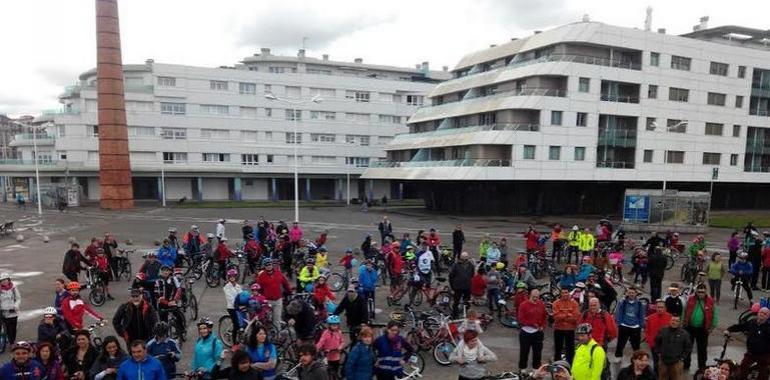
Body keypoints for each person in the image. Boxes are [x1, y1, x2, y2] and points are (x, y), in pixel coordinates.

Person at [726, 306, 770, 380]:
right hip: (751, 353)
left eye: (765, 314)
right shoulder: (752, 322)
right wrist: (729, 330)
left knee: (763, 374)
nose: (762, 314)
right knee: (742, 369)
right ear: (758, 313)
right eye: (761, 312)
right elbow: (740, 326)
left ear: (768, 316)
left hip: (764, 355)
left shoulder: (768, 328)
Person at [683, 284, 717, 370]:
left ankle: (701, 366)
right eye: (699, 292)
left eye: (703, 292)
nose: (701, 294)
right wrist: (682, 322)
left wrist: (712, 326)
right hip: (689, 327)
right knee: (687, 347)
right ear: (696, 292)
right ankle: (686, 364)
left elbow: (715, 314)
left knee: (702, 349)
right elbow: (684, 310)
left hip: (703, 329)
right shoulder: (690, 299)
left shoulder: (710, 301)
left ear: (706, 292)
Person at [255, 259, 292, 330]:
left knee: (277, 320)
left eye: (269, 264)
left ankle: (277, 336)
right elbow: (258, 288)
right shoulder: (261, 276)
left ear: (272, 265)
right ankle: (266, 335)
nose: (268, 266)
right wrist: (260, 298)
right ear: (264, 267)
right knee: (267, 320)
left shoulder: (278, 273)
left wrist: (289, 292)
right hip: (267, 301)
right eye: (266, 265)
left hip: (278, 300)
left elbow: (285, 283)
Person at [654, 315, 691, 380]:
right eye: (673, 320)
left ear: (679, 322)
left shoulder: (684, 333)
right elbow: (657, 342)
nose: (674, 322)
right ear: (669, 321)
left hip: (677, 363)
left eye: (677, 321)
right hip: (663, 361)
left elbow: (688, 347)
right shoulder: (663, 330)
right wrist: (658, 352)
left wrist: (682, 358)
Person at [518, 288, 547, 371]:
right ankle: (523, 368)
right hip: (526, 332)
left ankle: (536, 368)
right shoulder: (523, 305)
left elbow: (544, 317)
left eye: (537, 297)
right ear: (529, 296)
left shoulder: (541, 304)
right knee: (524, 352)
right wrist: (532, 324)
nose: (535, 299)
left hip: (538, 332)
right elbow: (521, 319)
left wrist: (543, 326)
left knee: (537, 353)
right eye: (533, 297)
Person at [614, 287, 646, 360]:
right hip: (624, 326)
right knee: (620, 344)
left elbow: (641, 315)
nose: (631, 294)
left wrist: (641, 325)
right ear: (627, 293)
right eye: (629, 292)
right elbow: (619, 313)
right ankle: (618, 357)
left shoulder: (640, 304)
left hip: (635, 327)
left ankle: (637, 359)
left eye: (633, 293)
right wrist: (619, 323)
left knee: (636, 346)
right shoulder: (623, 302)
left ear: (636, 294)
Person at [553, 287, 580, 364]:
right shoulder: (556, 303)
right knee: (558, 349)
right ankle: (557, 365)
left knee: (570, 350)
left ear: (569, 293)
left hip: (570, 330)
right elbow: (556, 317)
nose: (565, 294)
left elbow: (575, 318)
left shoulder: (574, 303)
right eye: (563, 293)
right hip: (558, 329)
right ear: (560, 294)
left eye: (566, 292)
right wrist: (567, 314)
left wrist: (562, 315)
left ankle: (570, 365)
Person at [644, 300, 672, 373]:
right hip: (654, 345)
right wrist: (650, 342)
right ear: (656, 308)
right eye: (658, 307)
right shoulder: (650, 318)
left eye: (662, 307)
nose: (660, 309)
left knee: (666, 362)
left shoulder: (670, 317)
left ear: (665, 308)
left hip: (666, 345)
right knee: (656, 362)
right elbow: (647, 331)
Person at [0, 272, 21, 344]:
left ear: (9, 280)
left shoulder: (13, 288)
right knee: (7, 328)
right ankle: (11, 342)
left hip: (13, 312)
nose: (4, 282)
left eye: (5, 280)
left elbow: (18, 298)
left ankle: (12, 340)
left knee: (13, 328)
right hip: (3, 312)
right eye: (2, 280)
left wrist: (16, 305)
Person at [223, 269, 243, 344]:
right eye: (230, 276)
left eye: (233, 276)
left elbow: (242, 295)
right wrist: (237, 304)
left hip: (239, 307)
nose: (232, 278)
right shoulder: (226, 287)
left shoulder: (238, 286)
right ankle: (234, 343)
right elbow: (230, 298)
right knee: (236, 325)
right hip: (232, 308)